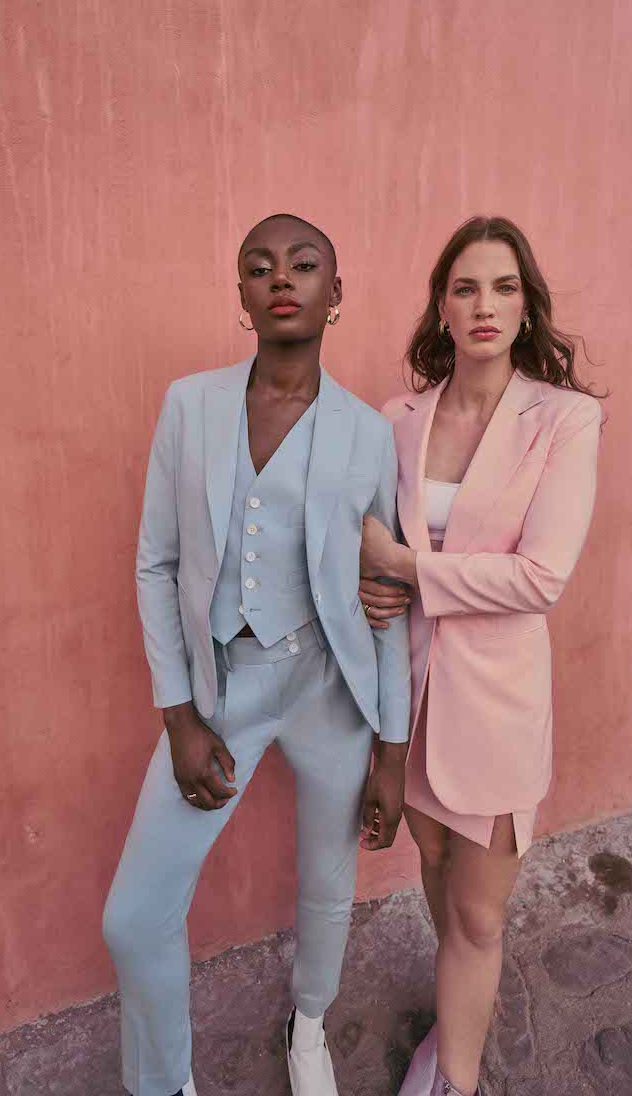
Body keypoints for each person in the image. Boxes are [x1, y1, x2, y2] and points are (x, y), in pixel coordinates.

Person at [103, 214, 411, 1096]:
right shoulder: (189, 406)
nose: (283, 276)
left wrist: (390, 751)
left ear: (335, 294)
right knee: (135, 917)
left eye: (305, 264)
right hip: (221, 689)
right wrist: (179, 714)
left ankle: (307, 1023)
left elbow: (386, 601)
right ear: (242, 296)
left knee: (326, 878)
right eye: (260, 266)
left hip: (330, 687)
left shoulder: (366, 433)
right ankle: (165, 1083)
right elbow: (155, 562)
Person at [357, 216, 602, 1096]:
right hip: (409, 701)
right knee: (431, 869)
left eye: (504, 286)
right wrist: (375, 572)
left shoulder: (564, 419)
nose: (485, 303)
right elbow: (372, 534)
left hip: (496, 708)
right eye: (466, 287)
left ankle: (455, 1079)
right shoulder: (398, 418)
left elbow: (540, 577)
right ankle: (452, 1017)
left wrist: (408, 568)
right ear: (443, 308)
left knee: (479, 911)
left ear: (528, 307)